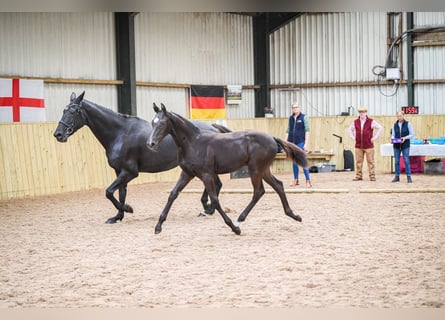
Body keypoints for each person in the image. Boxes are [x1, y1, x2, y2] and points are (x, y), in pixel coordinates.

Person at [348, 107, 383, 181]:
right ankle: (358, 176)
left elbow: (380, 128)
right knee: (358, 162)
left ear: (366, 113)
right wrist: (354, 138)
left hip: (369, 145)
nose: (361, 114)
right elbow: (350, 129)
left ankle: (372, 176)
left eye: (363, 112)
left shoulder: (371, 121)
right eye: (360, 112)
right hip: (358, 145)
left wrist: (374, 138)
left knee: (370, 161)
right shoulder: (355, 122)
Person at [285, 102, 311, 188]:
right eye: (293, 108)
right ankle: (296, 180)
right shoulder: (291, 118)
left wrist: (306, 144)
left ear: (299, 108)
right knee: (294, 162)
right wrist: (285, 142)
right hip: (292, 143)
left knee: (303, 161)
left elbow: (307, 130)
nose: (295, 109)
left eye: (296, 107)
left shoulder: (304, 117)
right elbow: (288, 130)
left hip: (300, 142)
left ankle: (308, 180)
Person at [391, 110, 414, 183]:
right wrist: (392, 139)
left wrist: (405, 138)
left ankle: (408, 176)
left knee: (406, 160)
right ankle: (397, 176)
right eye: (398, 116)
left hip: (405, 145)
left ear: (403, 116)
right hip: (396, 145)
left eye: (400, 116)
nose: (399, 117)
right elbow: (393, 134)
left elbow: (412, 134)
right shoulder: (394, 125)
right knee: (396, 161)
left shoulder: (408, 124)